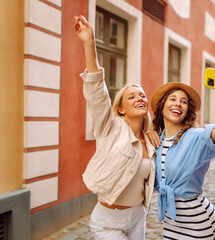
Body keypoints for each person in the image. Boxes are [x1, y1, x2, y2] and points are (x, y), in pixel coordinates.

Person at [74, 15, 156, 239]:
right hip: (108, 220)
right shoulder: (110, 128)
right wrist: (89, 43)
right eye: (131, 97)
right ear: (121, 109)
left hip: (138, 215)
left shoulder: (151, 140)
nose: (139, 98)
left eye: (142, 95)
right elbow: (97, 94)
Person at [149, 72, 215, 239]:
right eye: (173, 99)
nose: (178, 103)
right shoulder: (157, 139)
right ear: (162, 106)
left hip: (198, 224)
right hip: (170, 224)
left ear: (188, 111)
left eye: (184, 101)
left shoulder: (195, 137)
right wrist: (149, 128)